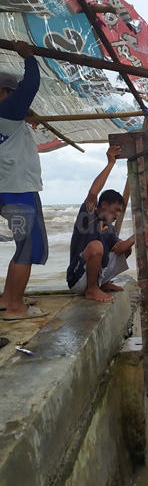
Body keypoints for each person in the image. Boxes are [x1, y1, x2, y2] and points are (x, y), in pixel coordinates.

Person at [0, 40, 49, 321]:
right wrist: (29, 57)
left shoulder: (7, 117)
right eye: (10, 93)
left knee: (22, 244)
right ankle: (16, 309)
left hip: (7, 189)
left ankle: (9, 299)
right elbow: (30, 86)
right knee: (29, 246)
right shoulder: (6, 110)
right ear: (5, 93)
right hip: (18, 189)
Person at [67, 145, 135, 302]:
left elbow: (121, 250)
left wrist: (140, 232)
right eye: (116, 210)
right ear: (104, 205)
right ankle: (92, 290)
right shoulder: (88, 215)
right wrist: (110, 163)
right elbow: (93, 193)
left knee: (126, 250)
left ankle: (102, 283)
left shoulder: (109, 228)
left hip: (96, 277)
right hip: (77, 280)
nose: (118, 214)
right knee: (96, 246)